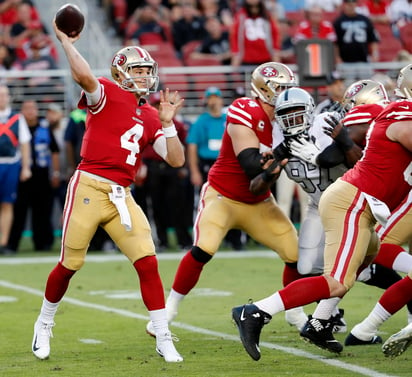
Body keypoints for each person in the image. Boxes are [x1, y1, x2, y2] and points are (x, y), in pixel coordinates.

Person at [231, 63, 412, 361]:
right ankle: (255, 312)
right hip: (353, 202)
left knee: (358, 268)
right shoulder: (397, 113)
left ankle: (318, 322)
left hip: (362, 204)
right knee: (336, 280)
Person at [31, 19, 185, 363]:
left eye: (147, 70)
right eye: (138, 70)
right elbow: (84, 77)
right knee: (71, 263)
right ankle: (44, 321)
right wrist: (67, 43)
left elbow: (175, 160)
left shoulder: (149, 115)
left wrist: (167, 123)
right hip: (89, 184)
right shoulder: (106, 92)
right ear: (120, 74)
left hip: (122, 194)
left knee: (147, 261)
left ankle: (162, 334)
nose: (145, 76)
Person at [146, 62, 302, 336]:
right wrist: (282, 154)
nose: (287, 93)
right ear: (264, 90)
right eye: (281, 88)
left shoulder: (288, 119)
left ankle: (295, 311)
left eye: (289, 87)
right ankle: (170, 309)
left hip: (259, 202)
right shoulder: (245, 109)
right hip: (223, 197)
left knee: (296, 255)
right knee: (204, 248)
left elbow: (264, 179)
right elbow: (250, 163)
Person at [186, 86, 243, 250]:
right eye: (209, 98)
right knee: (207, 203)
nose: (213, 101)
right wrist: (195, 171)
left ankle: (235, 239)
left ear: (220, 100)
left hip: (228, 165)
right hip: (208, 165)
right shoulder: (201, 121)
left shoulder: (228, 119)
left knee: (233, 201)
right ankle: (205, 239)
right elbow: (192, 146)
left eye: (215, 97)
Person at [8, 99, 59, 252]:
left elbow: (54, 151)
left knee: (43, 211)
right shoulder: (16, 126)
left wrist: (55, 173)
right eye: (27, 108)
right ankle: (12, 244)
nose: (30, 111)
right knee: (19, 211)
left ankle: (44, 243)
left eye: (33, 108)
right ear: (21, 111)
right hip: (21, 175)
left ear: (37, 110)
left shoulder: (45, 126)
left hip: (42, 175)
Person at [0, 84, 31, 255]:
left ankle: (4, 242)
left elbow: (25, 143)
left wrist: (26, 167)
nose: (2, 98)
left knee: (7, 203)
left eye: (4, 95)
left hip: (11, 164)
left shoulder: (17, 118)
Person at [230, 0, 281, 67]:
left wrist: (275, 52)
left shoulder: (267, 15)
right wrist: (236, 53)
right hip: (246, 59)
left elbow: (274, 33)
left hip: (266, 57)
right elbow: (235, 36)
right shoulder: (240, 16)